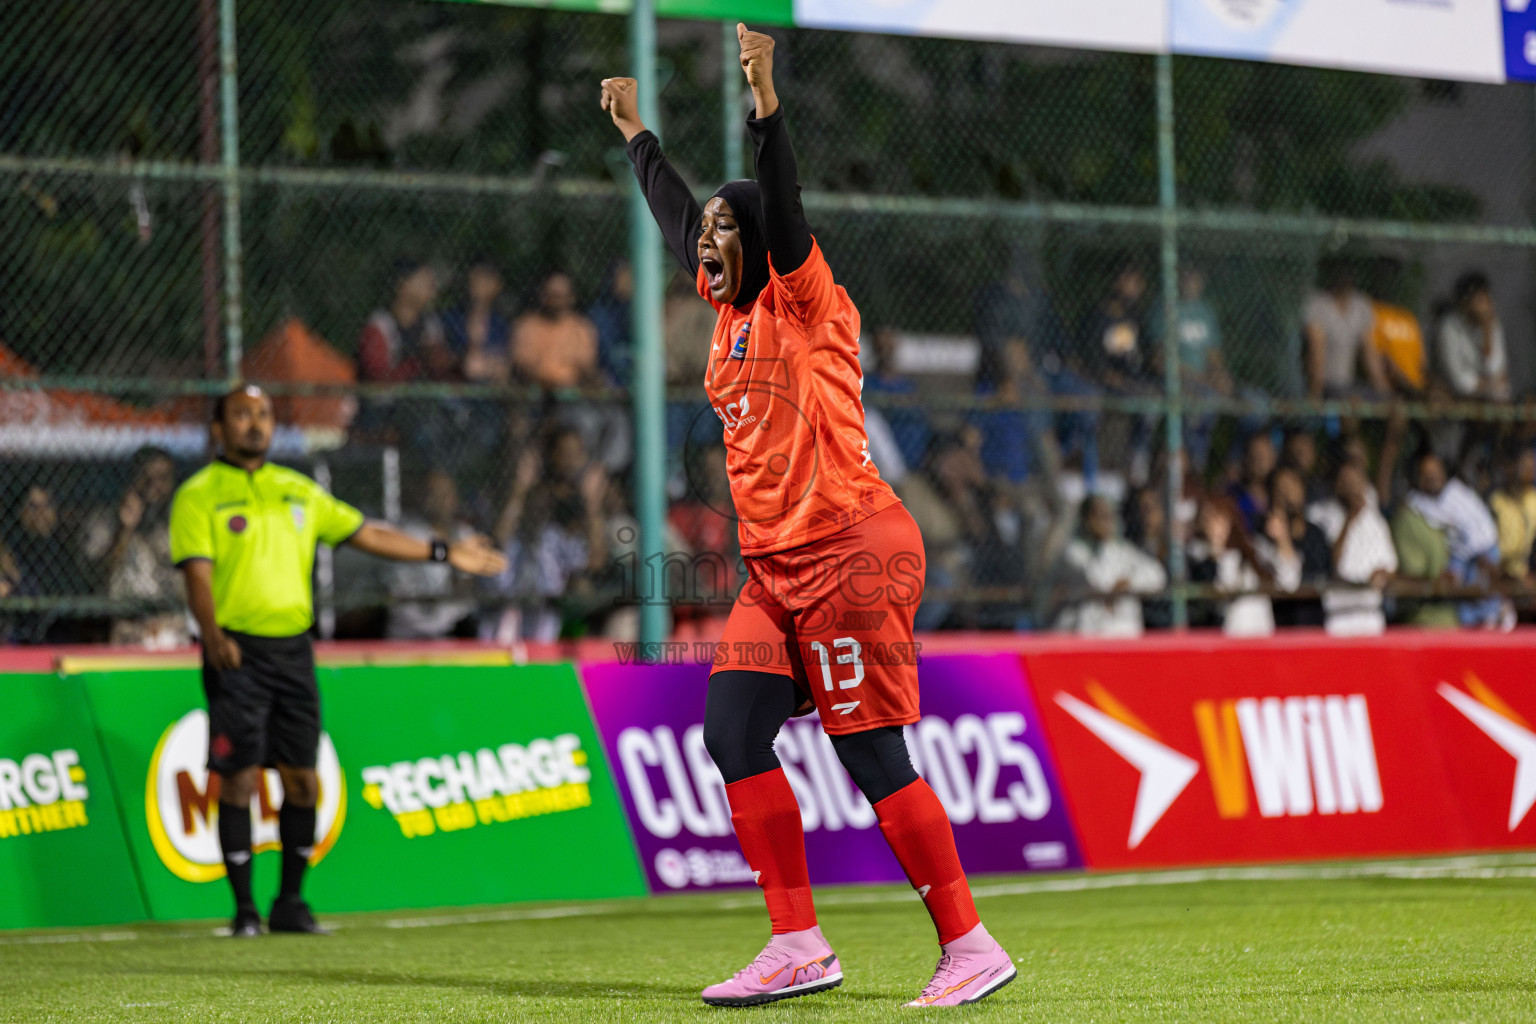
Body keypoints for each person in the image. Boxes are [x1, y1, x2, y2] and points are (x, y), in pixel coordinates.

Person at [601, 25, 1014, 1008]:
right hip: (776, 567)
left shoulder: (803, 300)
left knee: (871, 752)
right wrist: (639, 141)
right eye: (706, 235)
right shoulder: (730, 314)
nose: (707, 242)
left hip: (849, 547)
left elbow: (778, 206)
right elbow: (677, 222)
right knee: (732, 731)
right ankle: (799, 942)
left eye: (725, 231)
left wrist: (763, 98)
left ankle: (970, 943)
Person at [169, 385, 504, 937]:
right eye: (242, 415)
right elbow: (197, 575)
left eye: (263, 414)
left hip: (293, 652)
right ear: (217, 429)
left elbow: (365, 531)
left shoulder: (297, 490)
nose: (255, 424)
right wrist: (211, 634)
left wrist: (443, 550)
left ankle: (290, 904)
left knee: (303, 781)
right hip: (236, 651)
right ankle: (244, 912)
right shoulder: (199, 495)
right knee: (239, 780)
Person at [79, 447, 187, 647]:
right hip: (127, 623)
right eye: (146, 477)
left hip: (171, 622)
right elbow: (97, 576)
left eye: (163, 478)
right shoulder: (105, 520)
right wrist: (125, 530)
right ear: (132, 479)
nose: (154, 486)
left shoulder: (181, 524)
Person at [1405, 451, 1503, 628]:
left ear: (1443, 473)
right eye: (1425, 474)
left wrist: (1481, 553)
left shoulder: (1458, 493)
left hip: (1483, 547)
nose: (1431, 477)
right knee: (1456, 589)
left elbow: (1478, 525)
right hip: (1459, 551)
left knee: (1486, 589)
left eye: (1435, 472)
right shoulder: (1421, 501)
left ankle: (1492, 618)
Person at [1055, 495, 1167, 637]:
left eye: (1110, 516)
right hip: (1086, 633)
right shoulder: (1073, 552)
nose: (1107, 521)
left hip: (1123, 633)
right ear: (1087, 519)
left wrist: (1128, 583)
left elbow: (1157, 575)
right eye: (1100, 516)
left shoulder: (1122, 550)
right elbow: (1093, 582)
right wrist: (1110, 592)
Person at [1323, 462, 1397, 636]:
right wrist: (1350, 518)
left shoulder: (1377, 522)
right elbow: (1335, 561)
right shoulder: (1326, 515)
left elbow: (1392, 566)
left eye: (1355, 482)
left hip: (1370, 611)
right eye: (1346, 482)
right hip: (1340, 614)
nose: (1352, 488)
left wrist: (1383, 574)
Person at [1303, 260, 1389, 400]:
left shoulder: (1361, 306)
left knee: (1395, 409)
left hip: (1349, 384)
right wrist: (1315, 393)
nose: (1345, 278)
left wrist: (1385, 392)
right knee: (1351, 404)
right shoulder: (1318, 305)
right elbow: (1315, 354)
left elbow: (1370, 355)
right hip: (1327, 385)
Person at [510, 270, 600, 391]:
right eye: (551, 295)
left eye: (560, 296)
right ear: (541, 295)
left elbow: (586, 366)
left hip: (573, 393)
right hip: (534, 393)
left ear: (571, 297)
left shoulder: (582, 328)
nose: (555, 301)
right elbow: (524, 365)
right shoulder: (527, 325)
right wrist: (552, 380)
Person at [1436, 272, 1510, 401]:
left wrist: (1487, 333)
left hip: (1492, 398)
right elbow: (1459, 381)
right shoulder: (1449, 328)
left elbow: (1496, 369)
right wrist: (1490, 385)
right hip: (1457, 400)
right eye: (1480, 300)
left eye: (1487, 298)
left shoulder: (1492, 324)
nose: (1487, 305)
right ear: (1465, 303)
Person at [441, 257, 511, 384]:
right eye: (477, 277)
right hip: (455, 388)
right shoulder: (450, 317)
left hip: (490, 389)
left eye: (487, 279)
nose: (480, 284)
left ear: (498, 286)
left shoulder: (501, 324)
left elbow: (503, 364)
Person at [1367, 257, 1426, 398]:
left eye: (1393, 276)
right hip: (1395, 389)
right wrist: (1409, 388)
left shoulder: (1407, 316)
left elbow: (1423, 362)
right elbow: (1382, 360)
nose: (1389, 281)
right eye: (1383, 276)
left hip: (1417, 387)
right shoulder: (1370, 313)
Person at [1490, 446, 1536, 584]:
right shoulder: (1497, 499)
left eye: (1531, 466)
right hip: (1499, 574)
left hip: (1527, 576)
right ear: (1510, 467)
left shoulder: (1533, 499)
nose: (1528, 470)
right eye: (1523, 465)